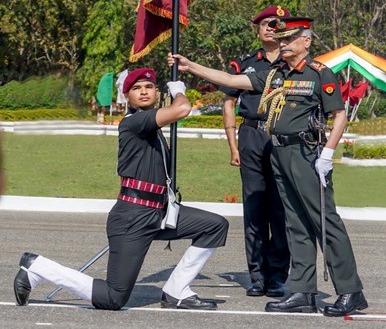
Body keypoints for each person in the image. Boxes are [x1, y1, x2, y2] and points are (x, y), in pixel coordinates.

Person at [168, 16, 367, 317]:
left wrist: (327, 154)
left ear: (306, 41)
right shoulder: (276, 74)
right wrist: (191, 66)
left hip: (307, 153)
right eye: (281, 39)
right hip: (279, 152)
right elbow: (233, 81)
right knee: (295, 223)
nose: (282, 43)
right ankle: (302, 290)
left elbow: (338, 115)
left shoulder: (320, 74)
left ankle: (350, 291)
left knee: (323, 221)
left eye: (289, 39)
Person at [14, 68, 229, 311]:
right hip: (133, 216)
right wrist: (179, 92)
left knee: (215, 225)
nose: (144, 91)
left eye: (148, 86)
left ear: (157, 92)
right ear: (127, 97)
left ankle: (176, 290)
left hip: (159, 212)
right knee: (113, 298)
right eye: (136, 89)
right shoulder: (133, 122)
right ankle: (37, 266)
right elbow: (181, 110)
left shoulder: (152, 127)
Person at [219, 5, 290, 297]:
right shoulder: (245, 64)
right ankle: (258, 276)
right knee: (254, 208)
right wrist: (233, 144)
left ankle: (277, 276)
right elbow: (228, 102)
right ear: (258, 30)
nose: (271, 28)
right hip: (251, 136)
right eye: (266, 24)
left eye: (277, 24)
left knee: (281, 208)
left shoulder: (295, 64)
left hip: (284, 138)